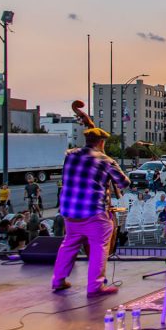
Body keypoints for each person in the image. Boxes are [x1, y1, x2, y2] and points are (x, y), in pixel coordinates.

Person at [51, 126, 130, 297]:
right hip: (93, 213)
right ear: (102, 143)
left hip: (70, 212)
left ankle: (58, 280)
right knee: (99, 246)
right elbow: (124, 183)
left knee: (69, 244)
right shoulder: (106, 161)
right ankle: (95, 285)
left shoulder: (70, 155)